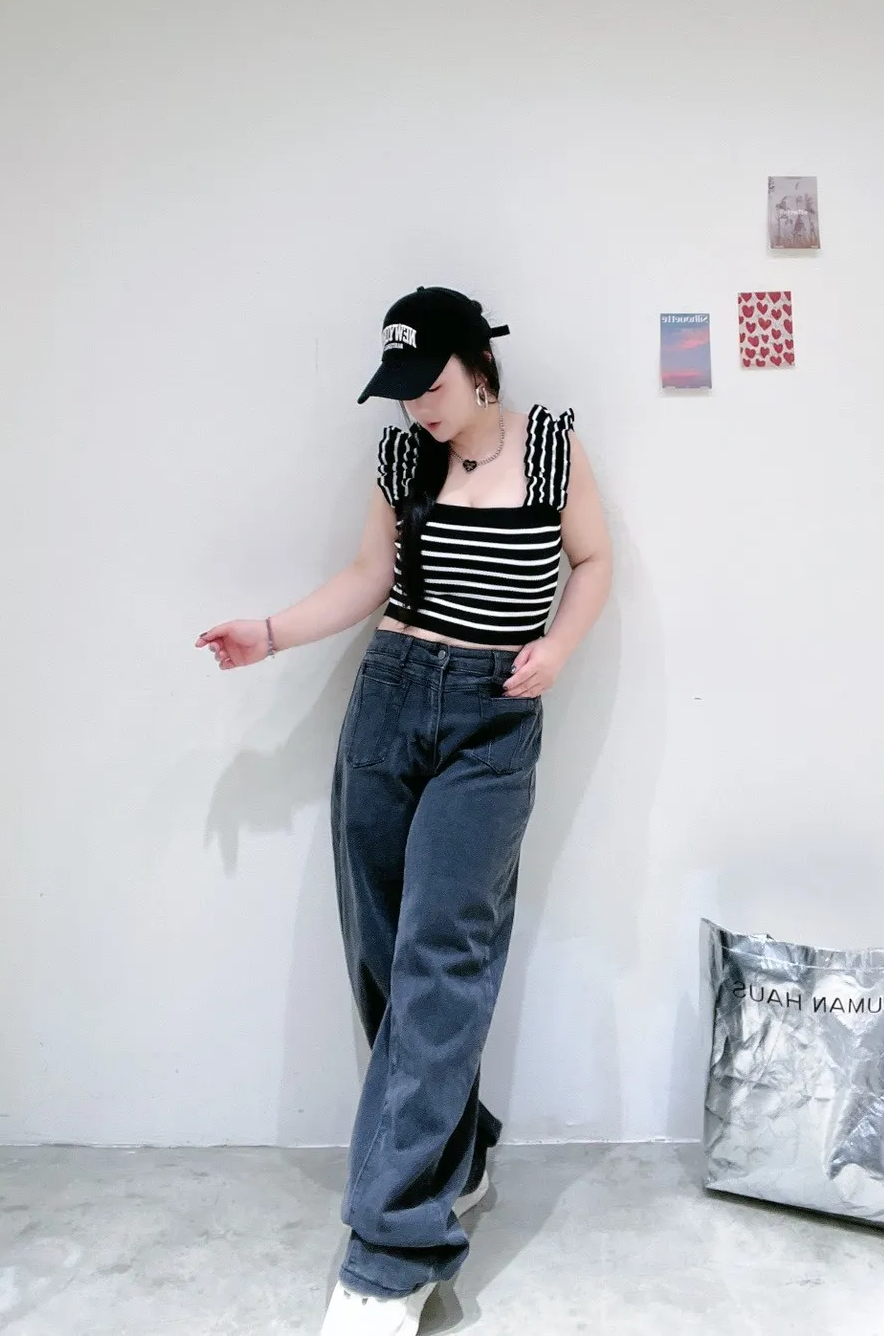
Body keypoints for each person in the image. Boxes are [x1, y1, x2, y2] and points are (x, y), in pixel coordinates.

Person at [196, 286, 612, 1335]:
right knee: (384, 957)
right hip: (387, 703)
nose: (417, 407)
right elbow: (367, 576)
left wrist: (558, 647)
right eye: (401, 391)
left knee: (441, 957)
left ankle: (392, 1250)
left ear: (479, 366)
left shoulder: (552, 448)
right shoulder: (400, 459)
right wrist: (270, 632)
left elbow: (594, 560)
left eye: (429, 385)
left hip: (490, 722)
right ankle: (455, 1156)